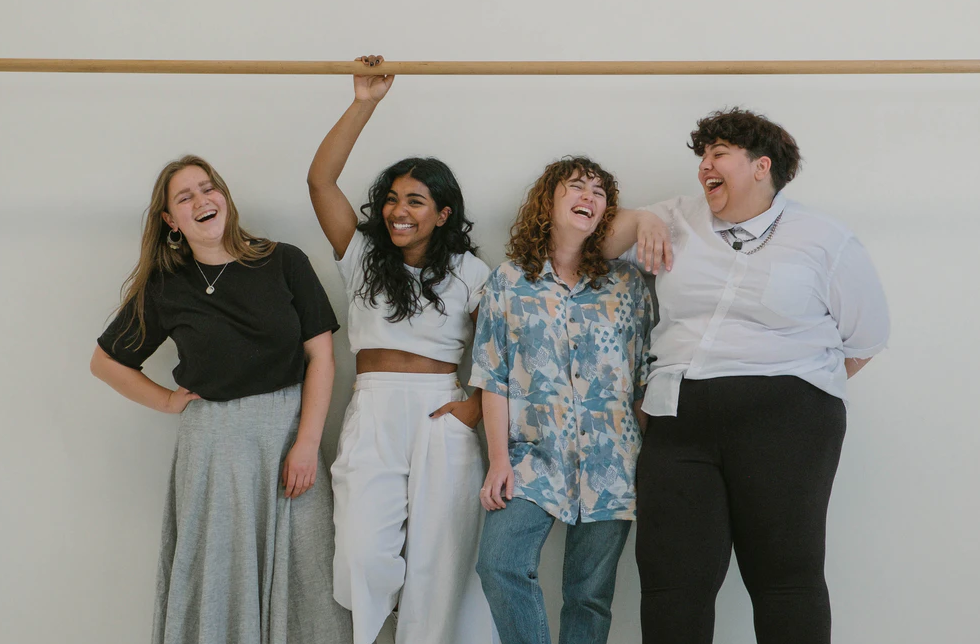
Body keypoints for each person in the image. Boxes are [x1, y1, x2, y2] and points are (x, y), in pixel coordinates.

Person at [607, 107, 891, 644]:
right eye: (702, 157)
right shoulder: (674, 217)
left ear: (762, 166)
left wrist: (791, 395)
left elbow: (866, 339)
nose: (704, 168)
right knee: (671, 583)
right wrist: (638, 217)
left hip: (788, 423)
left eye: (718, 154)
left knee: (785, 576)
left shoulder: (824, 239)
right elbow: (589, 245)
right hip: (677, 417)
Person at [90, 155, 352, 644]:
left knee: (310, 571)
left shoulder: (284, 260)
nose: (201, 201)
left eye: (207, 189)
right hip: (213, 449)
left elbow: (322, 356)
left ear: (225, 197)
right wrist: (168, 401)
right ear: (170, 220)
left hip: (290, 435)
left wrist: (306, 442)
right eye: (184, 197)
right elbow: (105, 362)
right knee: (219, 575)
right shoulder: (166, 285)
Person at [306, 56, 496, 644]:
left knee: (440, 562)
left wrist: (474, 407)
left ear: (443, 214)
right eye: (392, 198)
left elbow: (507, 347)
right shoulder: (361, 254)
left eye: (416, 201)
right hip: (375, 408)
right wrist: (365, 102)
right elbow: (320, 182)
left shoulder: (470, 270)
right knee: (363, 552)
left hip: (443, 407)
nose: (398, 211)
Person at [471, 156, 655, 644]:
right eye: (576, 187)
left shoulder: (628, 284)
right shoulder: (509, 282)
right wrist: (497, 461)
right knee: (499, 566)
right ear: (546, 203)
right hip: (532, 458)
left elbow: (643, 378)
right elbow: (492, 377)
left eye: (599, 194)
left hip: (612, 463)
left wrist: (642, 454)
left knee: (589, 597)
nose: (589, 198)